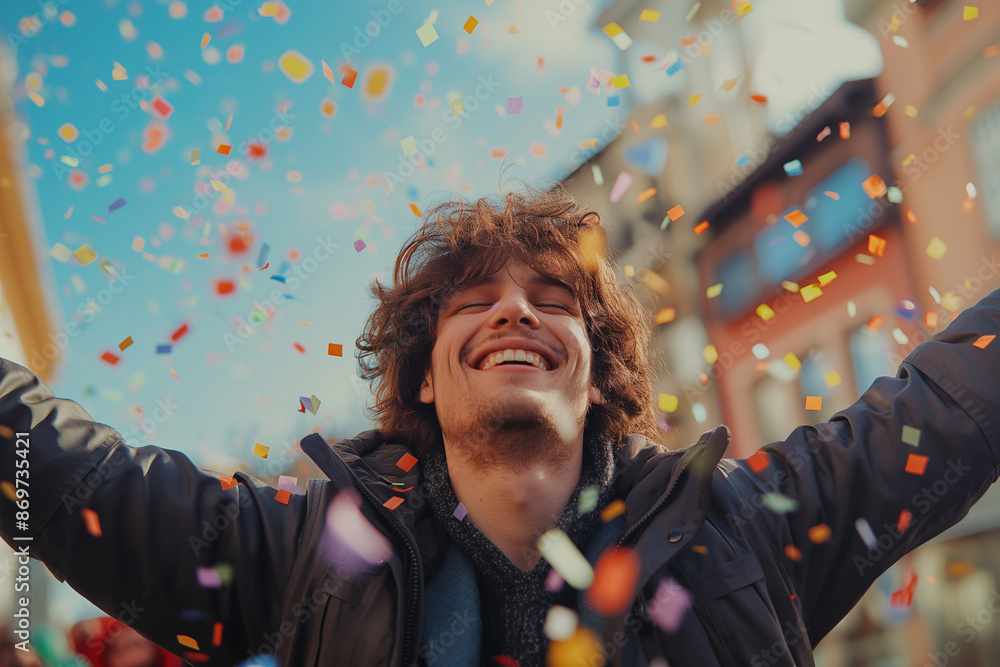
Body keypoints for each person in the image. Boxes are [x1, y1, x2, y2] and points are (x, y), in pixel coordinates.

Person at [1, 187, 998, 666]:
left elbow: (947, 406)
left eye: (552, 298)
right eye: (473, 300)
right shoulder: (293, 553)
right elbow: (65, 474)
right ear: (422, 377)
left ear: (595, 366)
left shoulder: (745, 524)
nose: (515, 310)